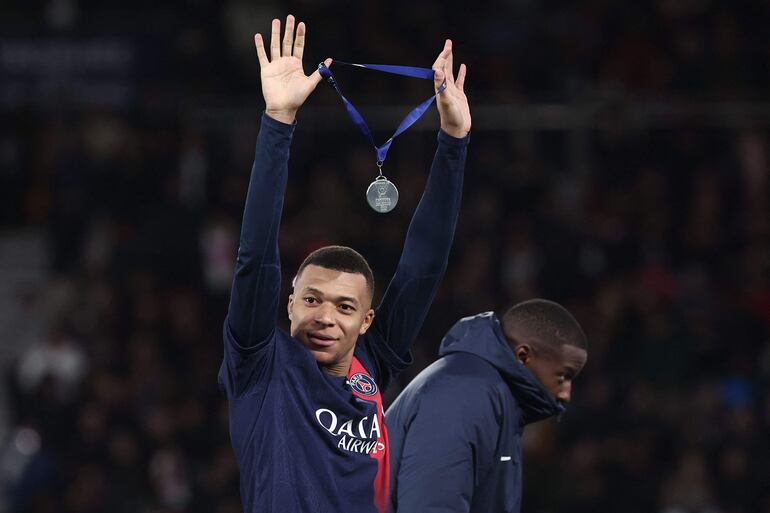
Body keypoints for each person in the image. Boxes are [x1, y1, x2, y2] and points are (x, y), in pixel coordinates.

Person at [217, 15, 471, 513]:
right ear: (288, 304)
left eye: (344, 306)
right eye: (311, 300)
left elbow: (423, 266)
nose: (326, 318)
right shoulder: (260, 364)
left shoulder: (370, 365)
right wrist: (278, 123)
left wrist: (453, 142)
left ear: (367, 320)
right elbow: (254, 258)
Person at [386, 299, 589, 513]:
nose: (566, 394)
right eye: (563, 376)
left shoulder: (494, 395)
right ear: (523, 356)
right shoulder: (464, 392)